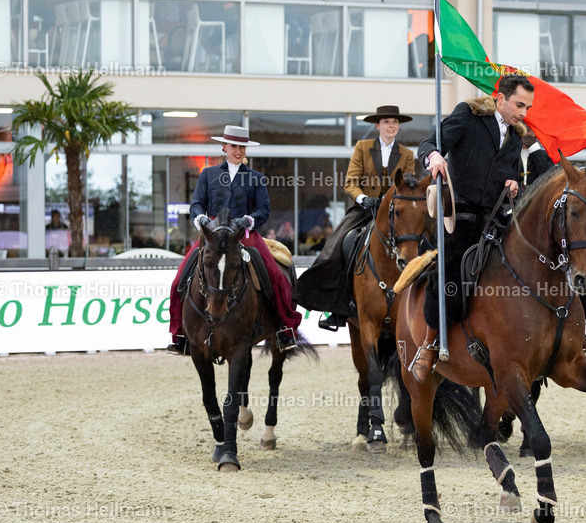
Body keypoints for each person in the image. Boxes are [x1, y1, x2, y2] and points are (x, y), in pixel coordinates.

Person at [410, 74, 532, 382]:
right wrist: (435, 155)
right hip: (460, 217)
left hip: (496, 220)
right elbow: (427, 144)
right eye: (519, 105)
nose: (524, 113)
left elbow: (513, 173)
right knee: (448, 272)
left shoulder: (516, 137)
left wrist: (514, 184)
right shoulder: (469, 115)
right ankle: (430, 343)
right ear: (500, 99)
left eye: (528, 107)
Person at [167, 125, 302, 354]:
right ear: (224, 147)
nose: (238, 150)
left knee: (276, 276)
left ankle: (283, 329)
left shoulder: (256, 178)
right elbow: (196, 203)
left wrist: (248, 220)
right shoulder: (208, 175)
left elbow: (263, 210)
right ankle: (179, 333)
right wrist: (200, 218)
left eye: (242, 147)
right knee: (179, 280)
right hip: (212, 235)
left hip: (244, 235)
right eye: (233, 146)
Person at [294, 105, 416, 331]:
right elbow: (350, 181)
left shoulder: (407, 154)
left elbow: (408, 185)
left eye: (395, 122)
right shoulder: (362, 147)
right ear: (377, 125)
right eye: (387, 122)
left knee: (421, 245)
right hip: (364, 210)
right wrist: (363, 199)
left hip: (394, 212)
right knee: (337, 245)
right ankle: (338, 310)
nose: (392, 126)